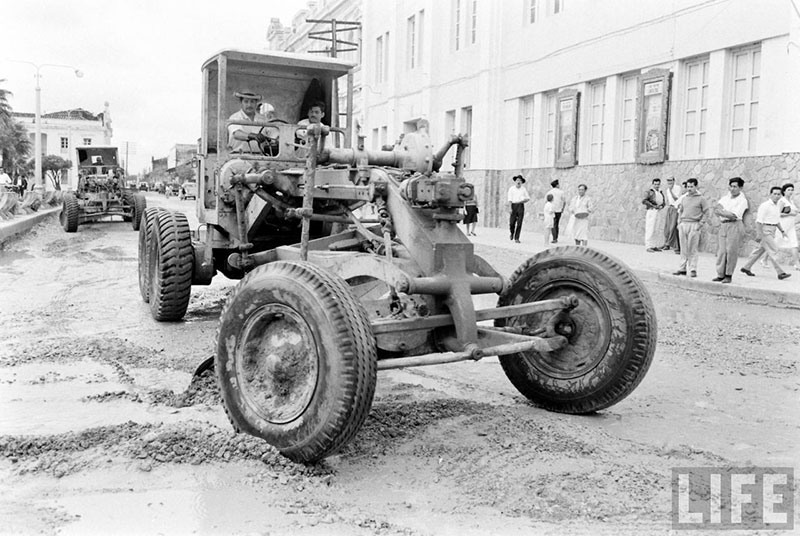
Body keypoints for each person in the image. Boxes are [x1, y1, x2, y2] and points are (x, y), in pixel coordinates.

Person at [740, 186, 791, 280]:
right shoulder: (765, 205)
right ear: (770, 194)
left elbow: (776, 220)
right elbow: (758, 221)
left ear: (781, 195)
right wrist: (759, 234)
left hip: (772, 230)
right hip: (765, 230)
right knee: (774, 250)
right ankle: (781, 273)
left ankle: (746, 267)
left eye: (778, 194)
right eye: (774, 194)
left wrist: (782, 231)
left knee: (759, 250)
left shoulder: (777, 206)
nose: (776, 196)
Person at [712, 177, 748, 284]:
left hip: (735, 225)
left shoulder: (742, 201)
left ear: (740, 188)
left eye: (735, 187)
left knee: (731, 251)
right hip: (724, 225)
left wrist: (722, 212)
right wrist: (724, 212)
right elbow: (716, 208)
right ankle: (720, 274)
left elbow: (734, 215)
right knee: (722, 251)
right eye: (731, 186)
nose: (732, 189)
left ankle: (728, 274)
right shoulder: (725, 198)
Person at [673, 178, 710, 278]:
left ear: (696, 187)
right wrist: (679, 223)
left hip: (694, 225)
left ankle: (693, 268)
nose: (689, 189)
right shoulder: (684, 198)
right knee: (683, 248)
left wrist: (700, 224)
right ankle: (682, 268)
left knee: (692, 248)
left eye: (691, 186)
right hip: (683, 224)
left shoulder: (701, 199)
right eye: (688, 186)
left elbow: (707, 212)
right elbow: (681, 211)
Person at [228, 90, 277, 154]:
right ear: (241, 102)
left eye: (252, 102)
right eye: (246, 101)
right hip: (238, 156)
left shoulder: (263, 120)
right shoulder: (234, 118)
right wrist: (253, 136)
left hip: (260, 156)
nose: (249, 105)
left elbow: (273, 135)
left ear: (256, 103)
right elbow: (236, 134)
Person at [775, 183, 799, 270]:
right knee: (775, 244)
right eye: (789, 190)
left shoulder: (791, 201)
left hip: (791, 226)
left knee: (794, 244)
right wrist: (790, 213)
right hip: (783, 226)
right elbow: (778, 214)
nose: (791, 191)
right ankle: (764, 259)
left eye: (792, 190)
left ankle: (797, 264)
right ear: (784, 191)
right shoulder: (782, 201)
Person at [642, 178, 666, 252]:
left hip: (658, 211)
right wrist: (654, 206)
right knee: (650, 228)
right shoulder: (649, 192)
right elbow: (644, 200)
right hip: (652, 210)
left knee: (657, 228)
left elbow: (663, 202)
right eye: (655, 184)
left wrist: (662, 206)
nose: (656, 185)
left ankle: (654, 245)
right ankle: (648, 246)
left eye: (658, 184)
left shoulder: (660, 192)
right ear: (653, 184)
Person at [507, 174, 530, 243]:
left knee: (519, 223)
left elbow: (528, 198)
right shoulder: (511, 189)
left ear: (522, 182)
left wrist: (523, 201)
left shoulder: (523, 189)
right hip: (513, 205)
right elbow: (510, 199)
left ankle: (517, 238)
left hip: (520, 205)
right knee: (512, 223)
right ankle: (512, 233)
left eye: (520, 180)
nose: (518, 181)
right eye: (517, 180)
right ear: (515, 181)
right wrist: (510, 208)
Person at [661, 177, 682, 253]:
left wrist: (670, 190)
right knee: (667, 227)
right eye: (668, 180)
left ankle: (675, 246)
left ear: (673, 180)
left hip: (675, 208)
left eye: (670, 180)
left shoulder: (677, 188)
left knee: (673, 227)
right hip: (670, 208)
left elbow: (676, 199)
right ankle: (667, 243)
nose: (669, 181)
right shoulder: (667, 190)